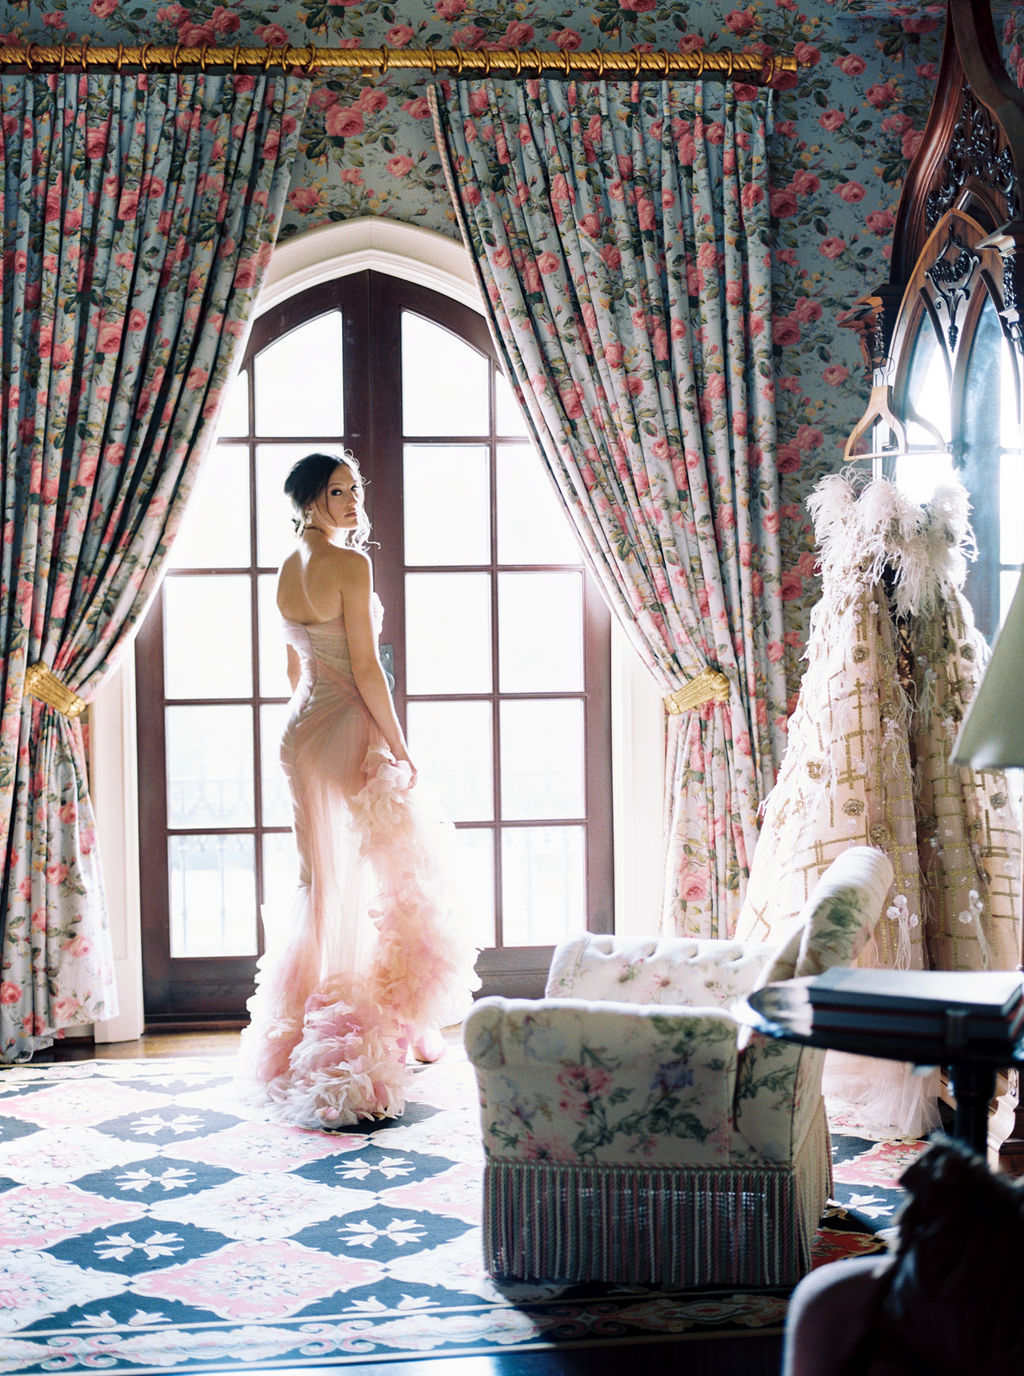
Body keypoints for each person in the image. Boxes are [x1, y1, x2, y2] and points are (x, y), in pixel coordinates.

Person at [237, 451, 479, 1128]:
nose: (353, 501)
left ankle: (306, 1028)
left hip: (299, 732)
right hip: (342, 725)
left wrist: (312, 731)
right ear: (310, 500)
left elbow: (295, 667)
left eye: (355, 488)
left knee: (320, 879)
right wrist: (398, 745)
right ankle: (358, 1031)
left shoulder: (289, 566)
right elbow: (368, 670)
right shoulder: (351, 564)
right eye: (338, 491)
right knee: (379, 876)